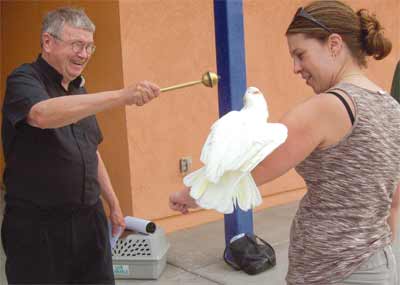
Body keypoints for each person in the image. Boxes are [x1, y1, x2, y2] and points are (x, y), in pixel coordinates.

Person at [169, 1, 400, 284]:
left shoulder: (325, 108)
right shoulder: (391, 107)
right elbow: (394, 201)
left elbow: (251, 169)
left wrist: (190, 194)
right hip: (377, 265)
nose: (295, 68)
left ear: (334, 44)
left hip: (334, 271)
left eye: (300, 55)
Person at [1, 7, 160, 284]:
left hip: (89, 222)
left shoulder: (78, 89)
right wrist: (121, 96)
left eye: (89, 47)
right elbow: (42, 114)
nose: (84, 54)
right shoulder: (23, 79)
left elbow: (90, 151)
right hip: (39, 228)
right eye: (77, 44)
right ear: (48, 42)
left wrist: (113, 203)